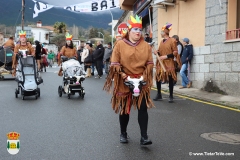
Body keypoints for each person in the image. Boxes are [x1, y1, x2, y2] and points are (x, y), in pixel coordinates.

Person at [103, 15, 154, 145]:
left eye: (140, 30)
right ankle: (123, 133)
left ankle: (144, 137)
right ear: (129, 31)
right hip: (124, 81)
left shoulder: (146, 46)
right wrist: (125, 76)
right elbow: (114, 64)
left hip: (141, 81)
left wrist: (144, 76)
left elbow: (149, 63)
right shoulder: (120, 45)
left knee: (143, 108)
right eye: (135, 29)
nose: (138, 32)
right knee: (125, 108)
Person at [153, 23, 181, 103]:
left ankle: (171, 95)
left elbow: (175, 52)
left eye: (161, 32)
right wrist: (156, 53)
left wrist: (166, 56)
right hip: (161, 63)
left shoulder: (172, 41)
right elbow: (160, 52)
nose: (160, 33)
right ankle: (159, 94)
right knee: (158, 77)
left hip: (169, 62)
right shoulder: (161, 42)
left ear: (165, 32)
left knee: (170, 79)